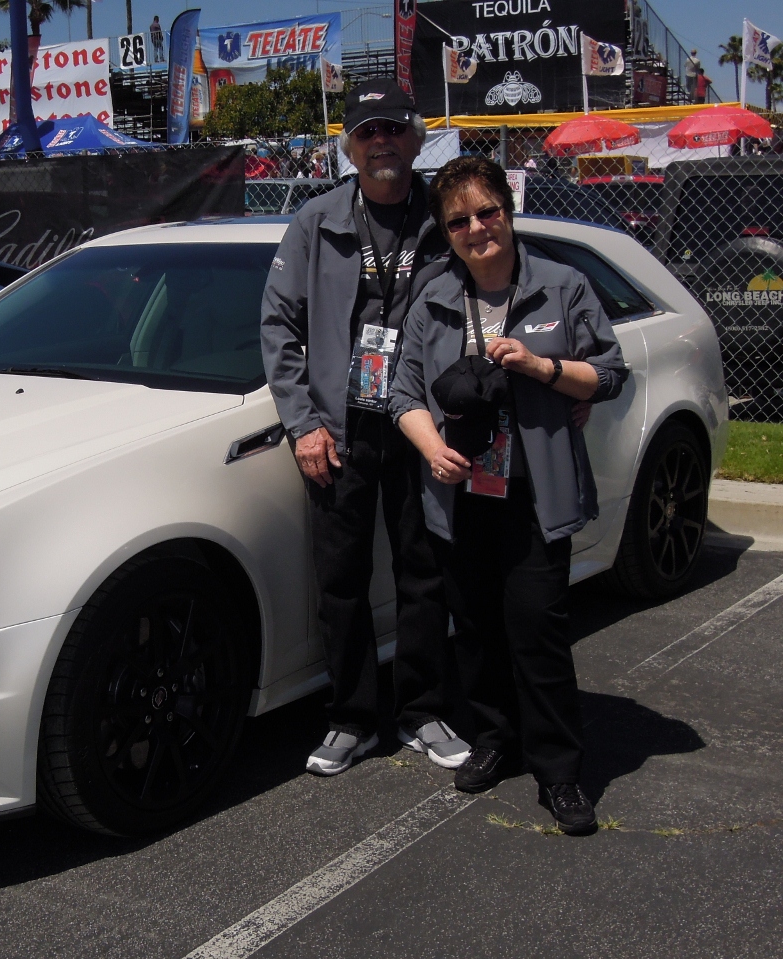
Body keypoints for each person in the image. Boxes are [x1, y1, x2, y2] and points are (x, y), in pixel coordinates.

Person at [389, 156, 628, 836]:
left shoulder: (561, 286)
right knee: (478, 632)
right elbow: (403, 393)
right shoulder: (433, 295)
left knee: (538, 633)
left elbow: (609, 375)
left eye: (486, 212)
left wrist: (543, 368)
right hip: (459, 499)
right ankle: (495, 738)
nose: (475, 228)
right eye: (459, 219)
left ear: (508, 211)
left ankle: (560, 772)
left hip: (534, 496)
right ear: (446, 229)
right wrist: (433, 448)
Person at [262, 79, 470, 778]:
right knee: (341, 581)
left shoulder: (446, 218)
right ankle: (351, 719)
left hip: (421, 425)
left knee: (424, 574)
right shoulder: (316, 223)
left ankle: (423, 712)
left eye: (392, 128)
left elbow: (501, 287)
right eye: (366, 131)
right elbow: (278, 329)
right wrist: (304, 425)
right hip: (341, 429)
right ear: (349, 146)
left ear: (415, 137)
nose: (380, 141)